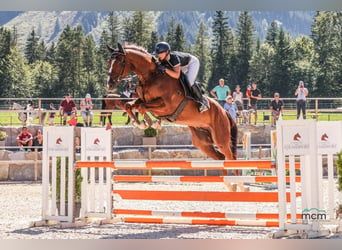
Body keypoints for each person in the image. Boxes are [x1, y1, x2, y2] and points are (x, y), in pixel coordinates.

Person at [154, 41, 209, 113]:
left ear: (167, 52)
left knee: (189, 81)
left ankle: (203, 101)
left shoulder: (173, 58)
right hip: (182, 66)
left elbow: (177, 75)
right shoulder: (162, 58)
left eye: (160, 53)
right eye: (157, 53)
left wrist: (165, 69)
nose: (158, 55)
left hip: (192, 63)